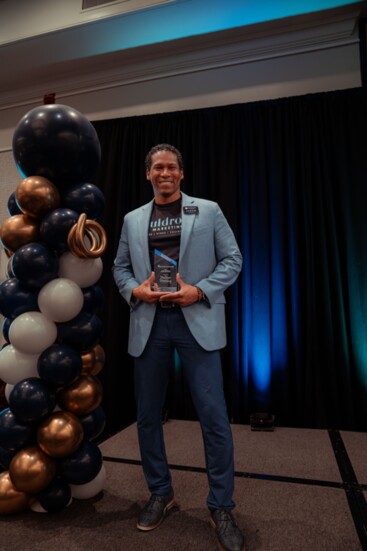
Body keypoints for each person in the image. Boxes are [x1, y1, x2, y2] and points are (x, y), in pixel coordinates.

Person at [112, 144, 244, 551]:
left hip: (195, 319)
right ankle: (161, 493)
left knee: (214, 418)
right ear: (148, 174)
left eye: (171, 167)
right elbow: (119, 266)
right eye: (157, 168)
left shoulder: (208, 210)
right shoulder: (133, 218)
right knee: (148, 416)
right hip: (149, 322)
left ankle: (220, 505)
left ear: (181, 174)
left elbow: (233, 260)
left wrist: (198, 291)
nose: (164, 173)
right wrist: (134, 289)